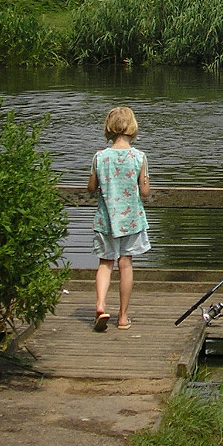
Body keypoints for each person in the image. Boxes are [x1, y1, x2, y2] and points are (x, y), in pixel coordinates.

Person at [87, 105, 150, 331]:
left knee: (105, 264)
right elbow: (144, 191)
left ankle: (101, 304)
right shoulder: (139, 157)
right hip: (131, 220)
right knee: (125, 265)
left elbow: (91, 187)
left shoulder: (100, 157)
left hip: (106, 219)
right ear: (132, 128)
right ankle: (123, 317)